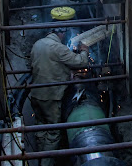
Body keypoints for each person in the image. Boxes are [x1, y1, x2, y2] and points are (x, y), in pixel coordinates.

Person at [30, 28, 89, 166]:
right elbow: (81, 62)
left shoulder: (37, 44)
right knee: (53, 131)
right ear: (60, 33)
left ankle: (39, 154)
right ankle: (46, 163)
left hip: (36, 94)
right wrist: (84, 50)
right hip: (51, 97)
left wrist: (65, 72)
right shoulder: (58, 47)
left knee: (40, 127)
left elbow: (44, 65)